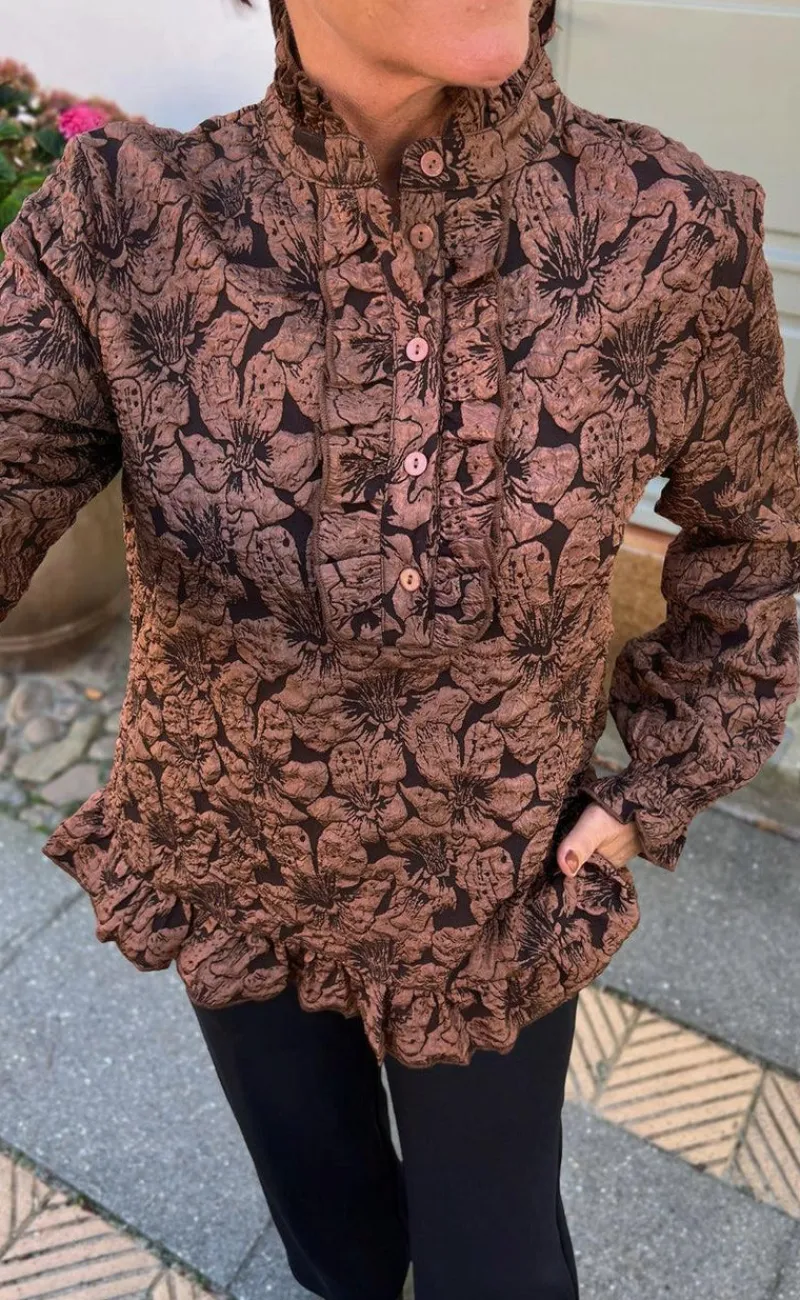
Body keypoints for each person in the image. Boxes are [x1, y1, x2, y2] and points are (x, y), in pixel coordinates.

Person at [1, 0, 799, 1295]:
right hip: (230, 858)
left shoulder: (661, 230)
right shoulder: (126, 221)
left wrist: (658, 780)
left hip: (492, 889)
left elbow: (759, 540)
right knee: (334, 1243)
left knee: (502, 1264)